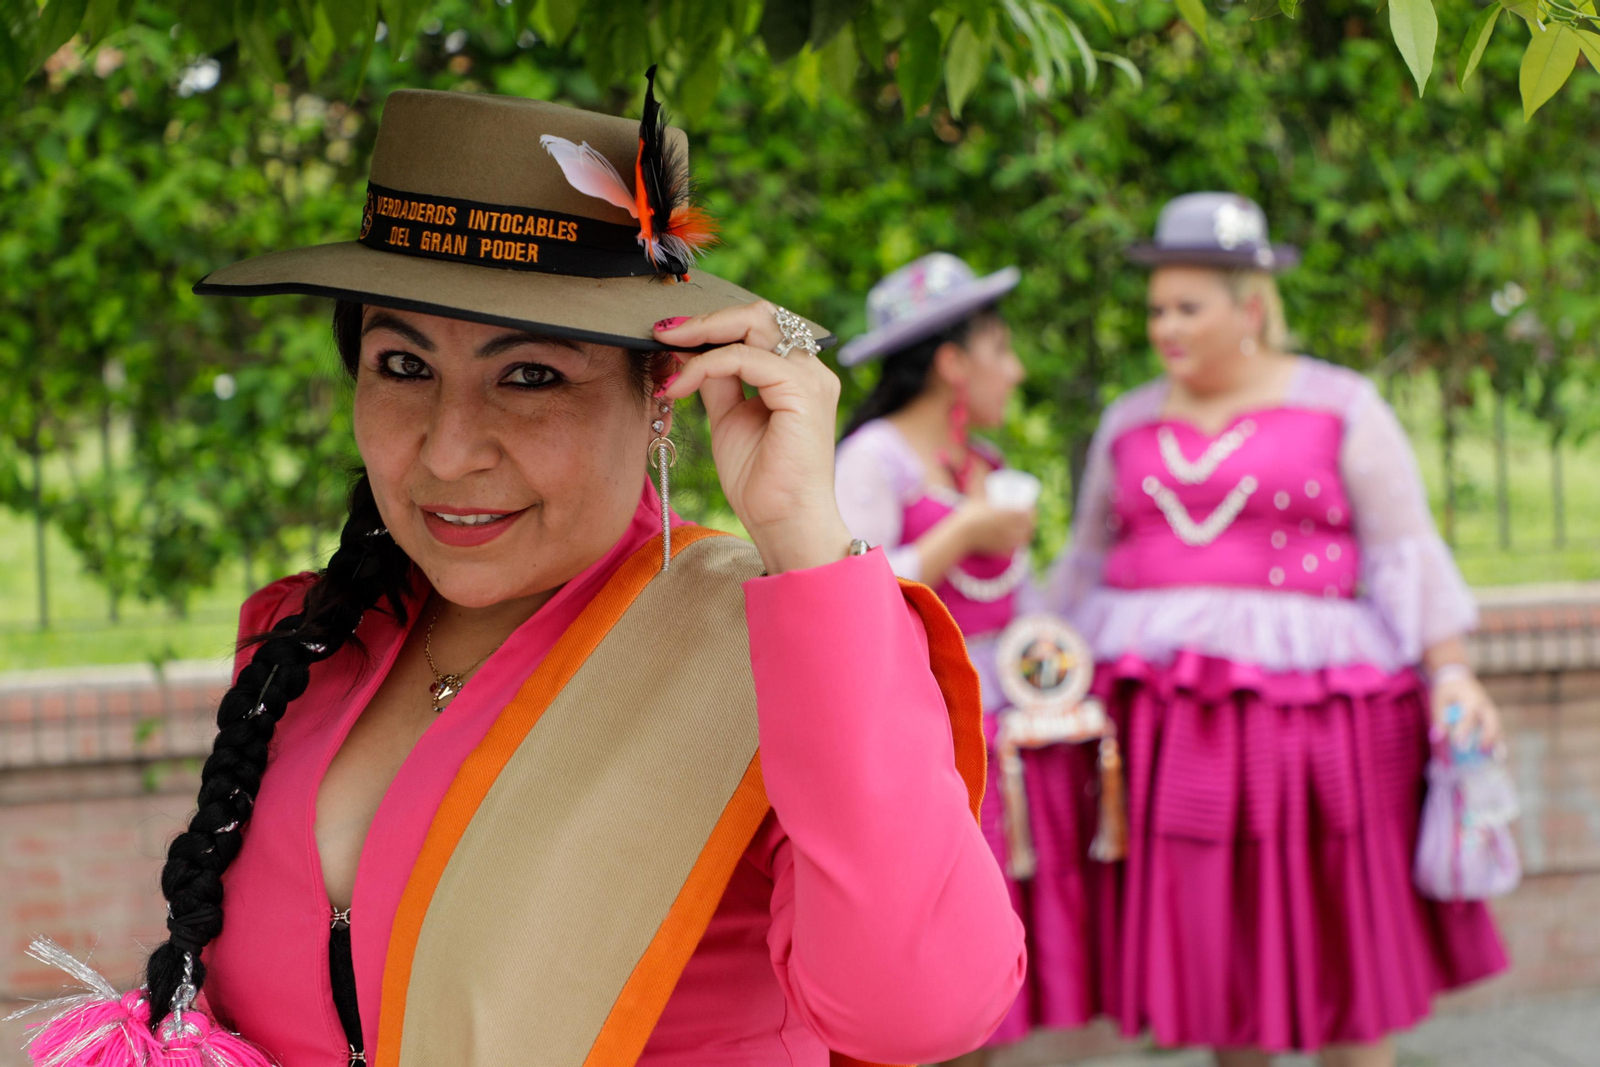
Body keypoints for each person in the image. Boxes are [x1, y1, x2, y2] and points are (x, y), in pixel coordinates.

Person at [17, 79, 1024, 1067]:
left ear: (663, 388)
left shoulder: (768, 652)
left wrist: (804, 538)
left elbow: (918, 1011)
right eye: (403, 366)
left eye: (531, 375)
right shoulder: (308, 638)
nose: (450, 451)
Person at [1044, 193, 1508, 1066]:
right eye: (1155, 309)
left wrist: (1451, 670)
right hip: (1166, 727)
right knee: (1219, 954)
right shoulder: (1130, 419)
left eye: (1188, 307)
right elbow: (1081, 562)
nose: (1164, 326)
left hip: (1319, 723)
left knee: (1342, 949)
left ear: (1250, 307)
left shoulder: (1343, 403)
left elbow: (1403, 545)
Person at [834, 254, 1099, 1056]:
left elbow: (1021, 608)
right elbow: (845, 595)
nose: (1015, 370)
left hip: (1002, 742)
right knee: (939, 949)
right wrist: (958, 536)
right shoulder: (874, 460)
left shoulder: (983, 469)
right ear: (953, 363)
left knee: (995, 948)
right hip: (928, 742)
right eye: (1001, 349)